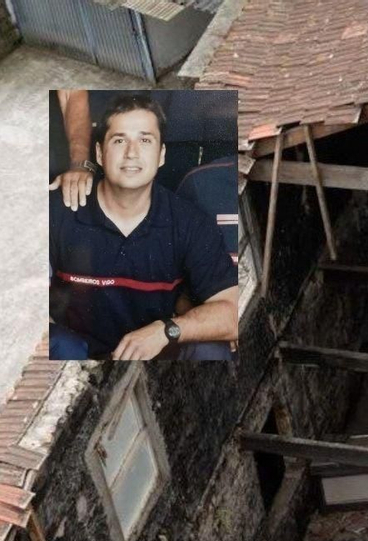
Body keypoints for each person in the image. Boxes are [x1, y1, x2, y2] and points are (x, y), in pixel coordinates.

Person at [49, 93, 238, 361]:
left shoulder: (188, 221)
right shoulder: (63, 208)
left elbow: (230, 313)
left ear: (161, 155)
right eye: (119, 140)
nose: (132, 153)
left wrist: (165, 331)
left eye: (145, 140)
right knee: (60, 344)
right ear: (100, 154)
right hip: (76, 360)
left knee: (210, 349)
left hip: (152, 358)